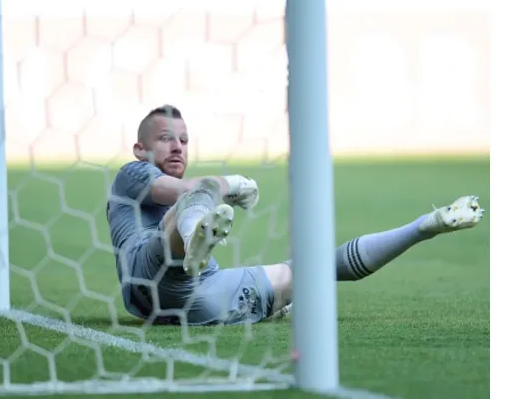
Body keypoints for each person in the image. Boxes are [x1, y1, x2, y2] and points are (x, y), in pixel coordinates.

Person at [106, 105, 485, 326]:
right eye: (166, 139)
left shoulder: (189, 185)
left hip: (196, 297)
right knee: (190, 199)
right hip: (147, 271)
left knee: (314, 270)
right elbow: (187, 190)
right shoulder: (132, 174)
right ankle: (192, 241)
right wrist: (236, 182)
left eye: (184, 140)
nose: (177, 147)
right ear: (140, 149)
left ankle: (423, 227)